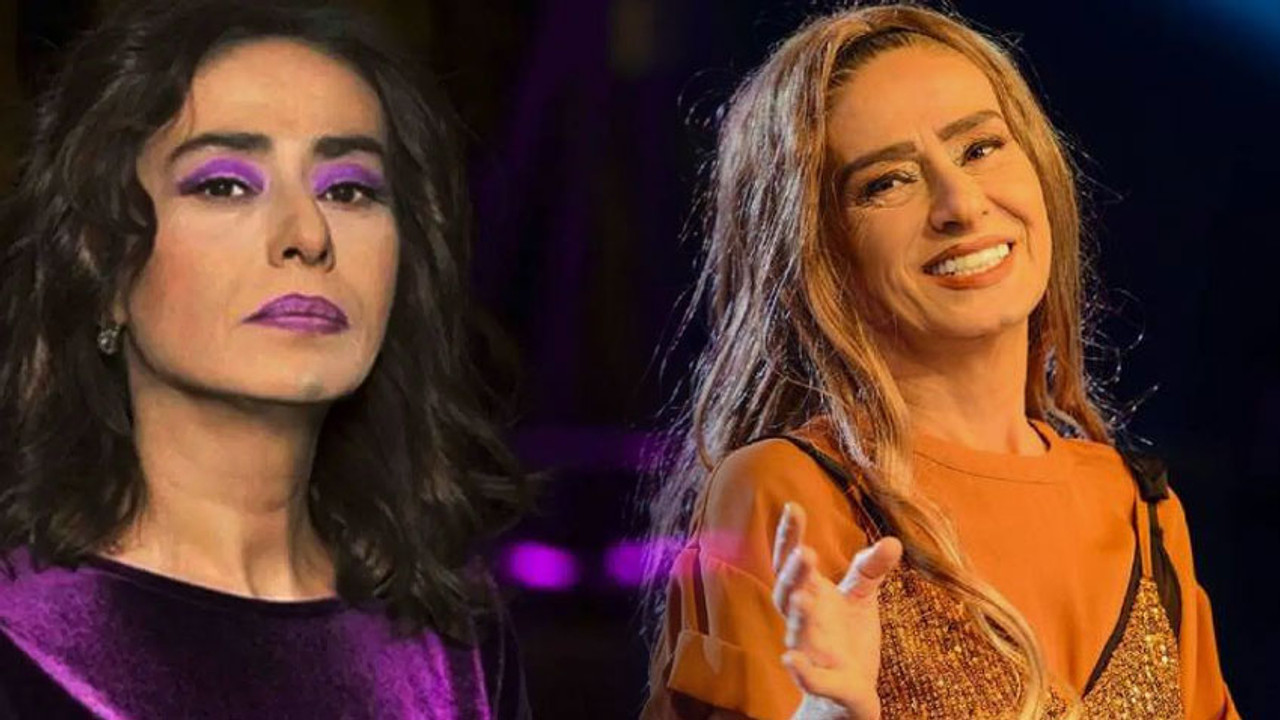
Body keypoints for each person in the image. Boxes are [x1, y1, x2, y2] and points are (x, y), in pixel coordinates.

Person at [643, 5, 1237, 719]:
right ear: (820, 252)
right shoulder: (787, 495)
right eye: (887, 181)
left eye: (981, 148)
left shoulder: (1143, 510)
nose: (960, 203)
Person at [0, 1, 531, 717]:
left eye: (348, 189)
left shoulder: (454, 639)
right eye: (225, 184)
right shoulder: (23, 643)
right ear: (101, 264)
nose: (308, 234)